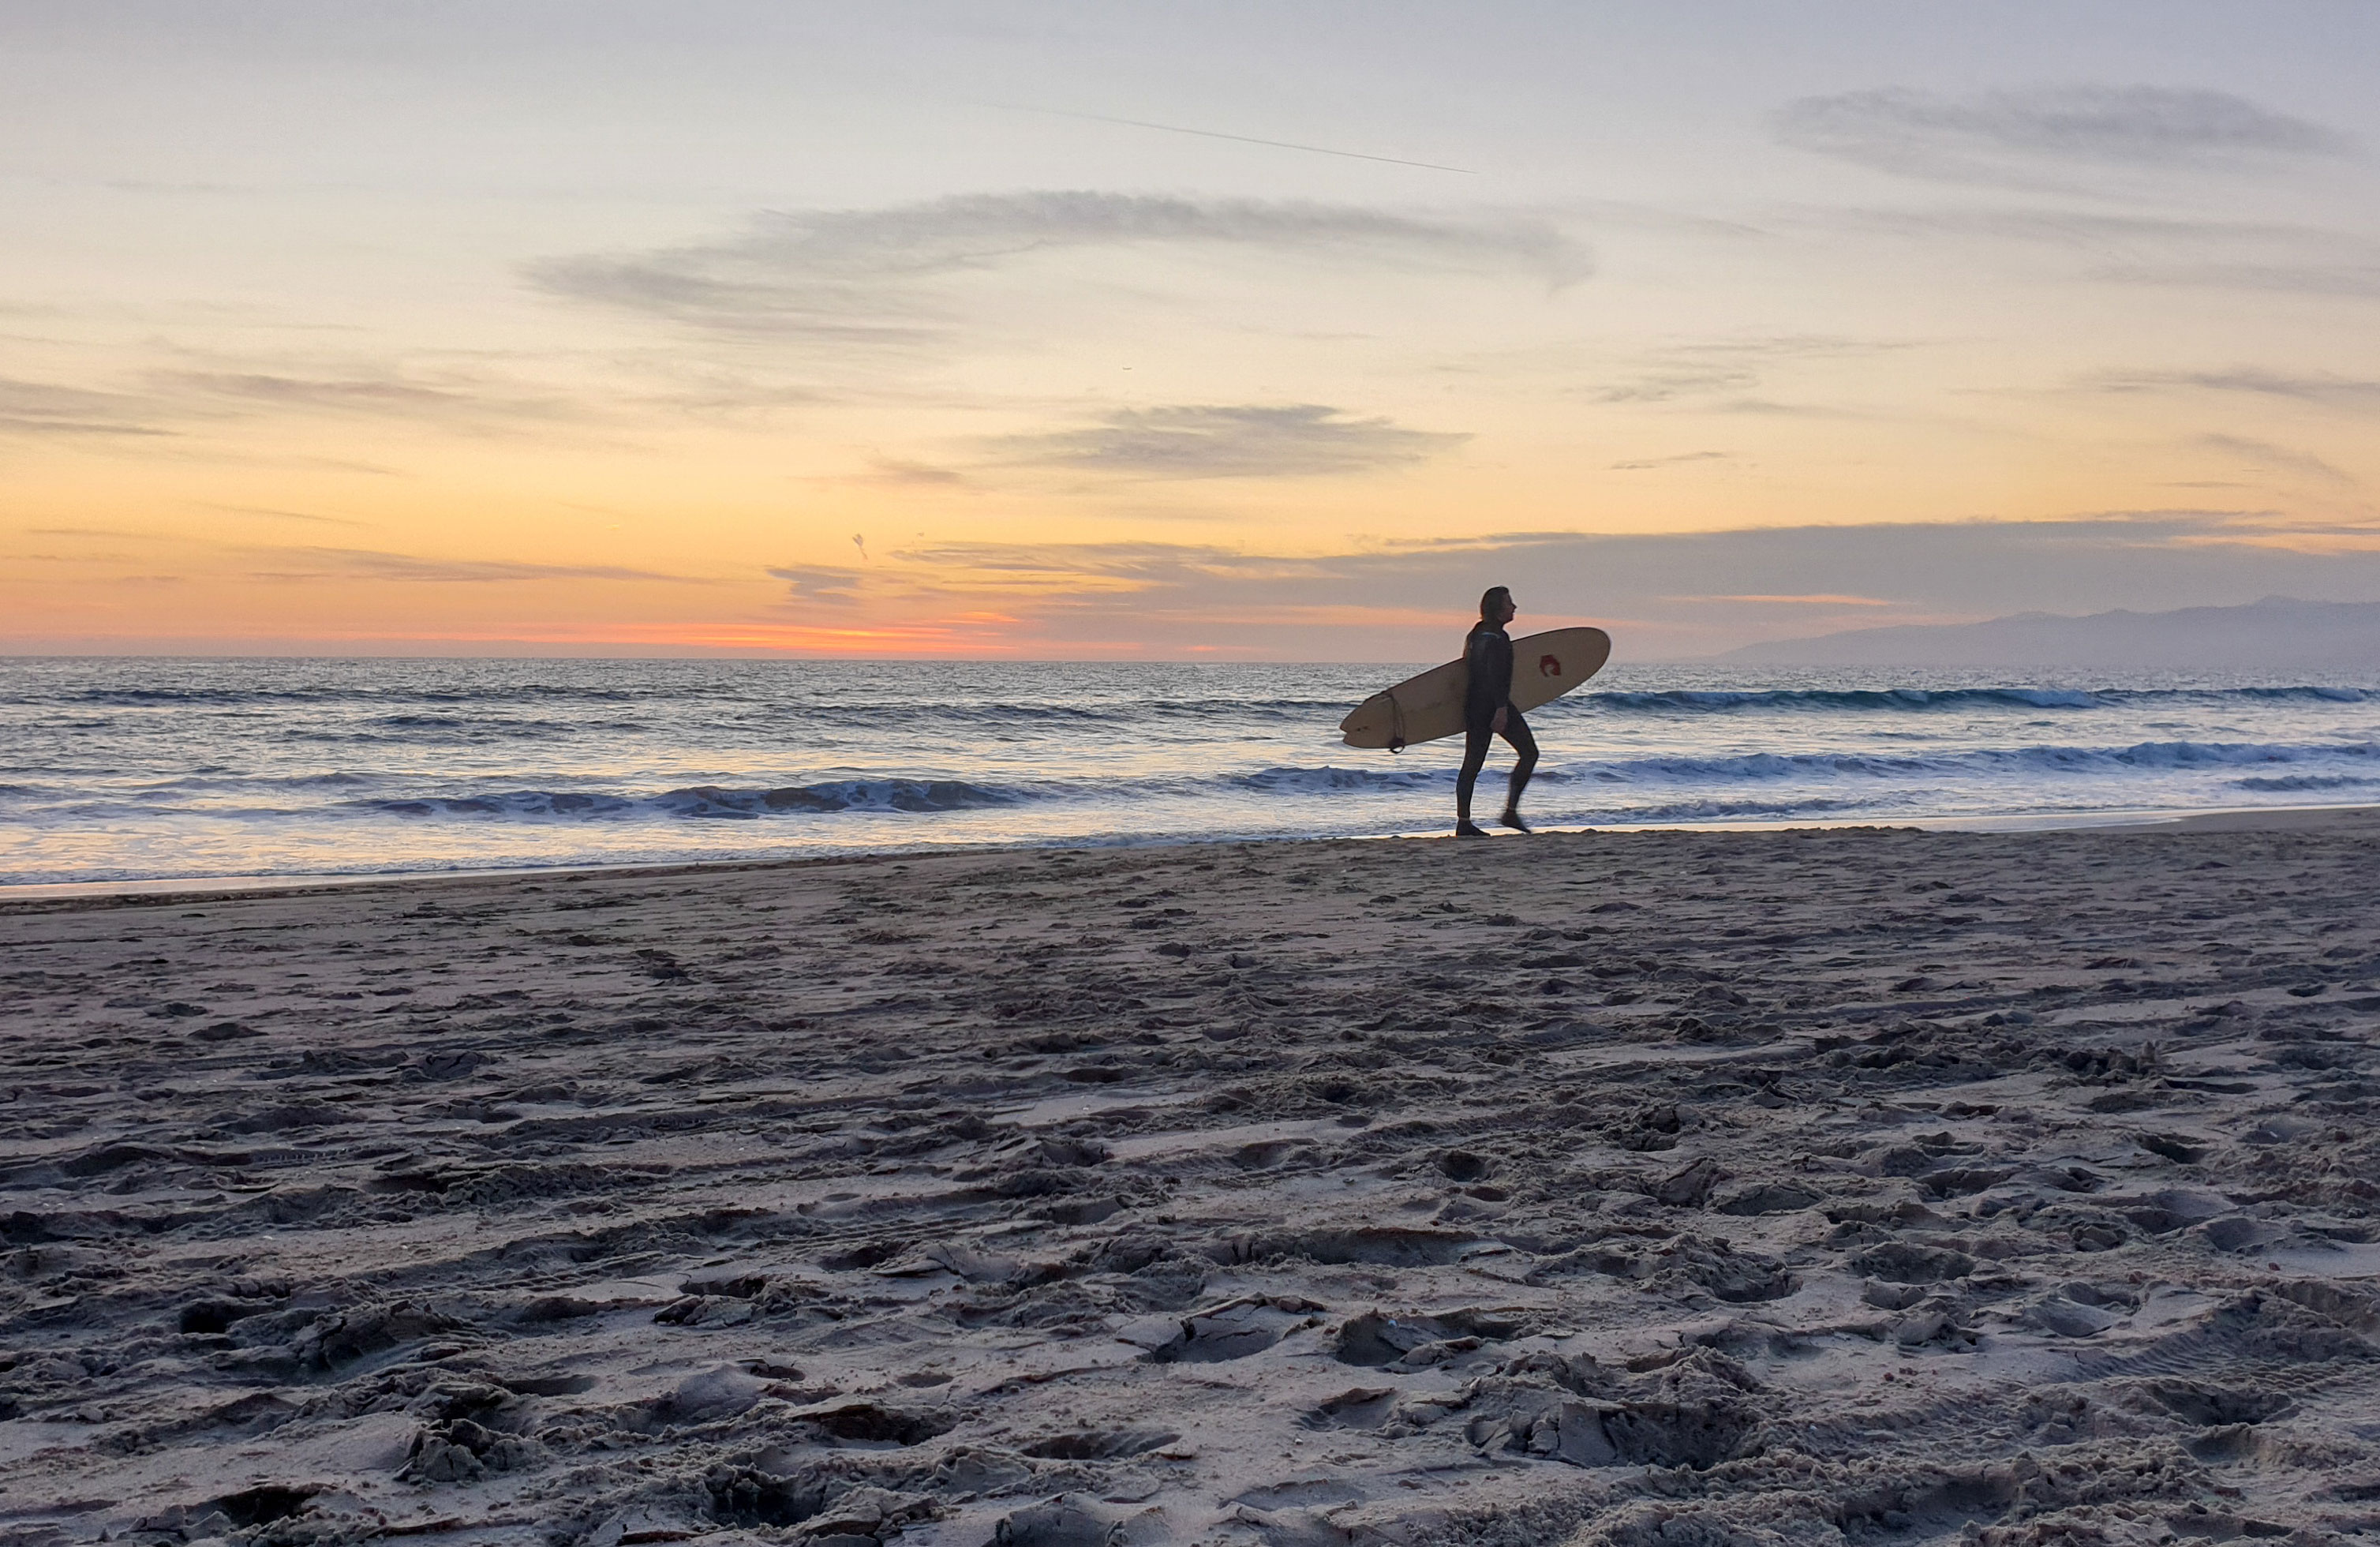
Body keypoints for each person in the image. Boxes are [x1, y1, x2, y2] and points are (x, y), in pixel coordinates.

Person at [1455, 586, 1537, 837]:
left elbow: (1467, 670)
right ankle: (1510, 812)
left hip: (1473, 706)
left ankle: (1464, 822)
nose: (1514, 607)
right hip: (1493, 704)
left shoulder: (1475, 634)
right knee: (1529, 753)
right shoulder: (1498, 639)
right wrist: (1501, 709)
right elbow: (1496, 676)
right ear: (1498, 609)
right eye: (1509, 603)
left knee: (1472, 764)